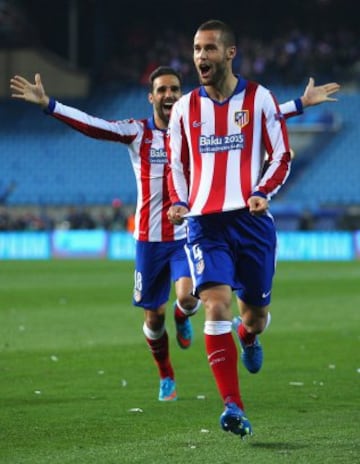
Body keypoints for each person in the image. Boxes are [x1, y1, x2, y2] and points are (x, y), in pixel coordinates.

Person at [10, 66, 339, 404]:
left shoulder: (197, 126)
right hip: (149, 239)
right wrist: (49, 104)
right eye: (162, 90)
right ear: (151, 97)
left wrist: (299, 103)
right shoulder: (137, 133)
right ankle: (166, 373)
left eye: (175, 89)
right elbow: (95, 126)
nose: (169, 95)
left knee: (188, 299)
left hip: (189, 233)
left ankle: (184, 315)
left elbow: (257, 116)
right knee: (153, 319)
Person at [166, 19, 339, 437]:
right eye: (195, 49)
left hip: (253, 220)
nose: (200, 57)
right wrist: (179, 201)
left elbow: (282, 156)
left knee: (255, 316)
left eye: (209, 49)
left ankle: (249, 335)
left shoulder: (260, 99)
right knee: (216, 305)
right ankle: (233, 406)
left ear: (230, 53)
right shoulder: (185, 108)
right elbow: (177, 165)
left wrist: (263, 191)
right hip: (206, 223)